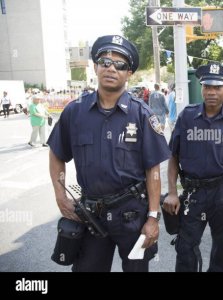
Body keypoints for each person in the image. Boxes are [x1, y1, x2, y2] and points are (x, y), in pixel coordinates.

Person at [47, 35, 171, 272]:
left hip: (132, 216)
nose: (111, 68)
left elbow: (152, 171)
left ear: (129, 73)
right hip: (91, 216)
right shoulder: (75, 112)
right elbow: (56, 154)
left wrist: (153, 217)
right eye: (105, 61)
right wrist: (60, 196)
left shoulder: (141, 115)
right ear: (95, 66)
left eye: (120, 65)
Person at [163, 63, 223, 272]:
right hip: (194, 192)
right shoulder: (187, 117)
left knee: (221, 245)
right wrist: (173, 192)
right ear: (202, 88)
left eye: (217, 87)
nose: (211, 92)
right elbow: (173, 156)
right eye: (207, 87)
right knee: (185, 245)